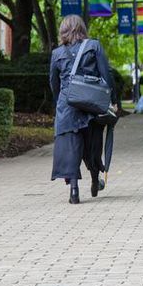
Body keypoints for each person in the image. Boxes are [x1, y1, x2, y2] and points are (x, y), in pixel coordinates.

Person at [50, 15, 118, 204]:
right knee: (92, 146)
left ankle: (74, 190)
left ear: (63, 31)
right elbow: (107, 75)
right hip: (92, 105)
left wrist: (61, 102)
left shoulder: (57, 54)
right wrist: (113, 100)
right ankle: (95, 179)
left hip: (68, 106)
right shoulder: (93, 46)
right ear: (82, 29)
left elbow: (53, 83)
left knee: (71, 148)